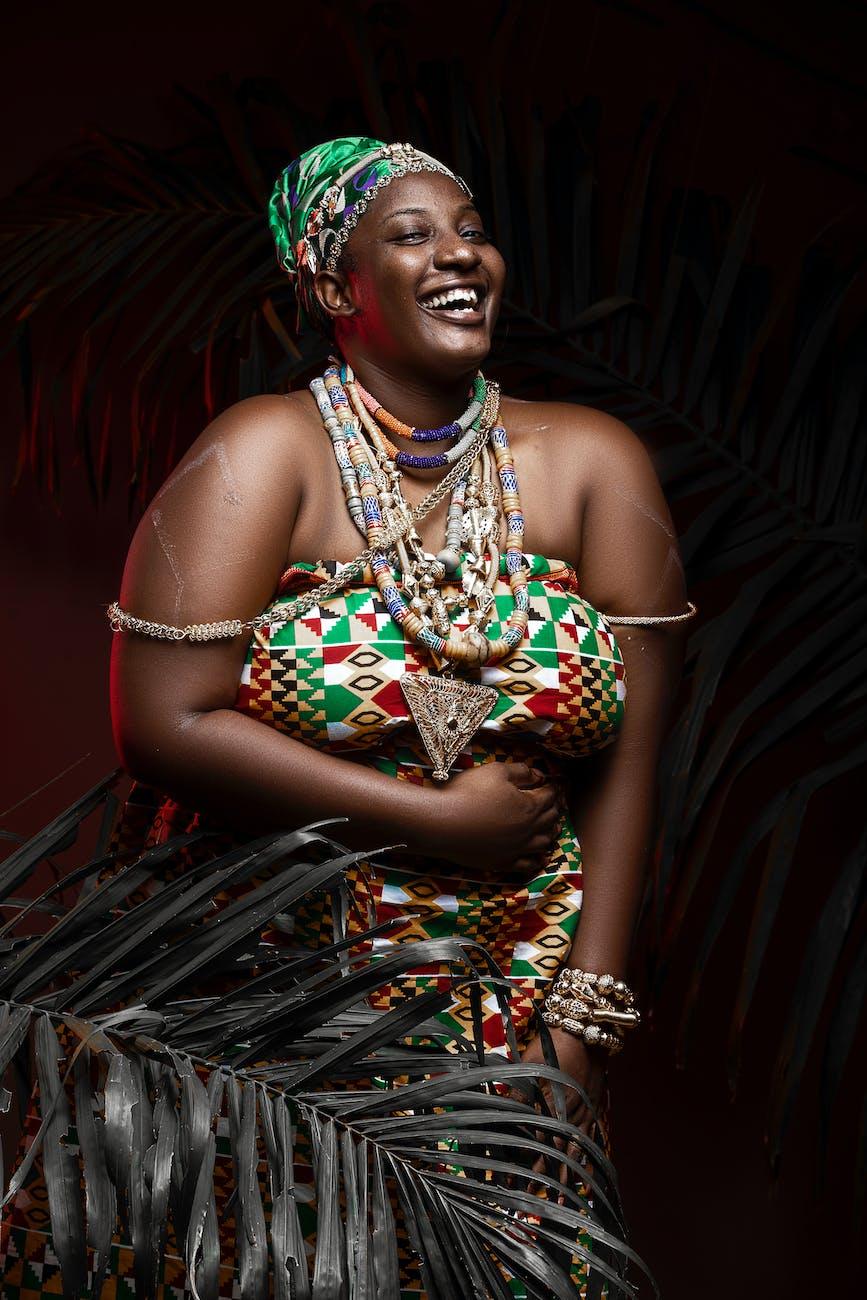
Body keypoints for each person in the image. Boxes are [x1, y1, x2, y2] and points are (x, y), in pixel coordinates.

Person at [4, 136, 695, 1297]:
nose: (460, 255)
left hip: (509, 1013)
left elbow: (633, 764)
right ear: (336, 289)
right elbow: (161, 723)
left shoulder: (591, 465)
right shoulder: (263, 454)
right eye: (413, 235)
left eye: (470, 228)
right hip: (267, 1019)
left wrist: (578, 1025)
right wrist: (436, 825)